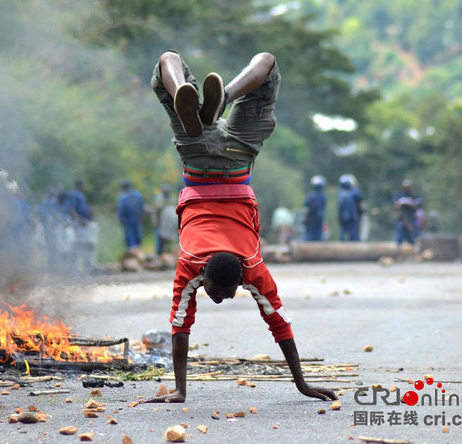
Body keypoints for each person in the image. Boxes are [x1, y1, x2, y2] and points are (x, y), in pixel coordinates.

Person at [144, 50, 336, 404]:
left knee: (267, 63)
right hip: (199, 160)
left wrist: (181, 390)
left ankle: (220, 99)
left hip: (236, 158)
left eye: (218, 295)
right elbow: (277, 324)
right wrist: (301, 383)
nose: (219, 299)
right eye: (223, 295)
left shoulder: (233, 265)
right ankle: (215, 98)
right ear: (238, 284)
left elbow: (181, 327)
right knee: (166, 62)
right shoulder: (226, 267)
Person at [65, 179, 97, 273]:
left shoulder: (80, 194)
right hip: (79, 223)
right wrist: (79, 219)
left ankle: (86, 265)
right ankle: (78, 267)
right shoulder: (74, 194)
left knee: (85, 243)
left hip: (84, 222)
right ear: (79, 185)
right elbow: (71, 208)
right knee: (80, 244)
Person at [117, 180, 145, 252]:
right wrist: (142, 216)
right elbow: (141, 207)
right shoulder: (137, 195)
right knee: (137, 235)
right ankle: (138, 251)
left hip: (127, 220)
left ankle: (132, 251)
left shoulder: (122, 197)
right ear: (130, 186)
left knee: (130, 236)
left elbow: (120, 210)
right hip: (136, 217)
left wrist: (121, 220)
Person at [151, 184, 178, 255]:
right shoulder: (159, 201)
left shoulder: (172, 200)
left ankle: (168, 254)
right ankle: (160, 254)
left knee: (168, 240)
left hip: (168, 224)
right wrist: (155, 221)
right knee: (160, 241)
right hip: (160, 223)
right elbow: (155, 212)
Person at [393, 179, 422, 246]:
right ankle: (397, 251)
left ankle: (414, 250)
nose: (407, 189)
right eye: (405, 187)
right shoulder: (399, 196)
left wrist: (410, 204)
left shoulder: (415, 196)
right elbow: (395, 205)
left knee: (413, 237)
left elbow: (418, 206)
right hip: (402, 218)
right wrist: (400, 203)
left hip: (412, 218)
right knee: (399, 237)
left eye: (408, 187)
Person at [303, 175, 327, 241]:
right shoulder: (323, 196)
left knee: (310, 236)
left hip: (311, 219)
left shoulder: (310, 195)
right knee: (317, 236)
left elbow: (305, 207)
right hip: (318, 218)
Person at [337, 175, 360, 241]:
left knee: (343, 236)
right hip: (351, 218)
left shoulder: (341, 193)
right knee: (353, 237)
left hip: (344, 218)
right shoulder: (353, 193)